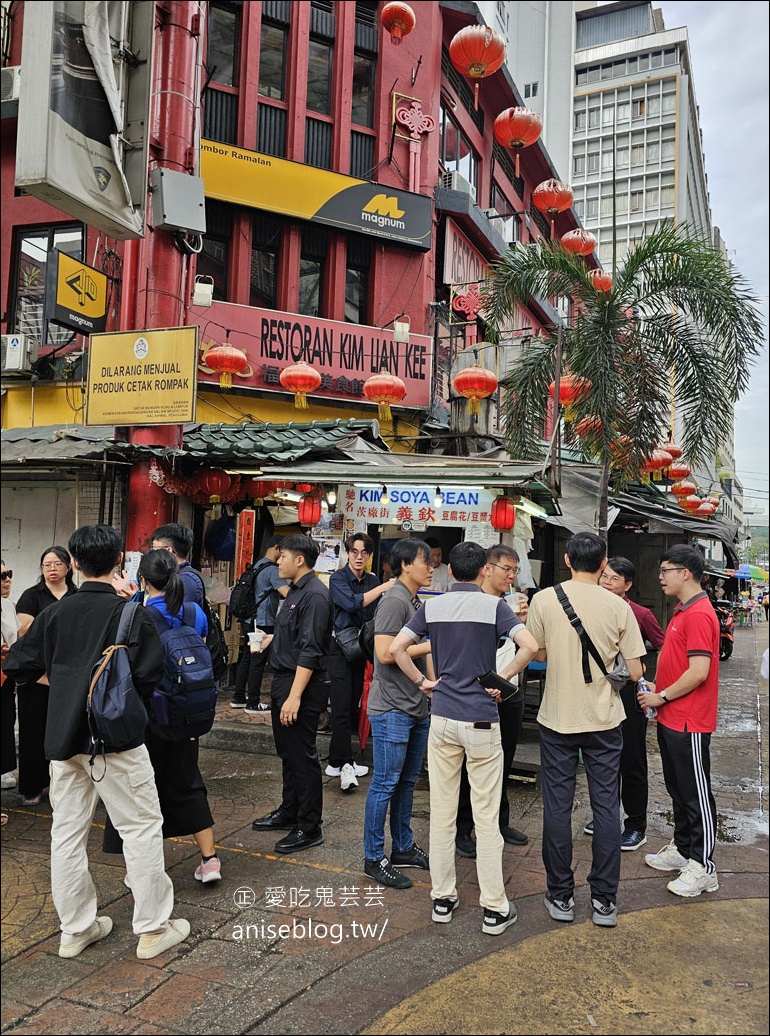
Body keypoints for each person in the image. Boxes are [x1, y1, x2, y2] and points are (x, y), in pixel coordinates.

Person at [3, 525, 190, 960]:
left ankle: (76, 928)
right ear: (119, 563)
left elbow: (18, 664)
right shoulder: (129, 614)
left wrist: (64, 682)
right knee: (140, 829)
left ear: (74, 564)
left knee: (66, 834)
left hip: (63, 742)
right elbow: (148, 675)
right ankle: (152, 928)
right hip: (117, 742)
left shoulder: (56, 613)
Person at [389, 541, 538, 936]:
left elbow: (396, 648)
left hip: (441, 720)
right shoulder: (494, 607)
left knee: (442, 811)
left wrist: (423, 681)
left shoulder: (433, 606)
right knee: (486, 816)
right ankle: (493, 908)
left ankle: (442, 899)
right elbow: (530, 646)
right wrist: (502, 680)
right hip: (482, 722)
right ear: (482, 572)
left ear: (450, 572)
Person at [526, 532, 645, 929]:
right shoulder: (618, 605)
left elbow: (538, 653)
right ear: (604, 562)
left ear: (566, 559)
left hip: (557, 717)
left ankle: (560, 895)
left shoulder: (544, 599)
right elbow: (635, 670)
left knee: (557, 808)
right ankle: (604, 901)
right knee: (606, 806)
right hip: (605, 720)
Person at [104, 550, 222, 884]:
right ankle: (210, 861)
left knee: (141, 790)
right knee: (188, 781)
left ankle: (139, 870)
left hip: (150, 717)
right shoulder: (193, 611)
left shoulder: (135, 615)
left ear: (142, 580)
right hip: (187, 713)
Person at [637, 545, 721, 897]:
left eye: (666, 570)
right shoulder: (684, 610)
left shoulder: (700, 613)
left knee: (695, 794)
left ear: (686, 573)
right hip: (672, 717)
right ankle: (683, 849)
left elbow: (699, 672)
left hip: (690, 720)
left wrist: (663, 695)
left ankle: (704, 866)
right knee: (678, 787)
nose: (661, 577)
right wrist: (659, 691)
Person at [251, 536, 333, 853]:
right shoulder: (296, 592)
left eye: (283, 555)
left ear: (300, 560)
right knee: (288, 754)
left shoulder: (315, 596)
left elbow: (311, 650)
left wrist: (295, 696)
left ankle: (309, 826)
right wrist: (270, 641)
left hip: (302, 685)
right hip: (285, 680)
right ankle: (290, 811)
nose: (278, 560)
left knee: (303, 757)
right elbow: (295, 636)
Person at [363, 538, 434, 889]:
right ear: (405, 565)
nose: (431, 567)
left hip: (415, 705)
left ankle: (403, 847)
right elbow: (386, 653)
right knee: (385, 783)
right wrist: (433, 643)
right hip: (392, 707)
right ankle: (374, 857)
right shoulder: (393, 601)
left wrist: (432, 682)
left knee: (407, 782)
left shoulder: (414, 600)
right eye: (426, 562)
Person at [582, 557, 665, 851]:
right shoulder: (590, 607)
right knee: (602, 757)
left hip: (629, 694)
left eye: (614, 579)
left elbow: (663, 646)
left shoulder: (640, 614)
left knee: (631, 759)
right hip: (598, 691)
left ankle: (635, 825)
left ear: (628, 585)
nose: (606, 582)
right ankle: (607, 817)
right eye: (604, 576)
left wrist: (649, 679)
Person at [455, 544, 529, 858]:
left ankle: (501, 820)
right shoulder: (475, 602)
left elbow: (530, 646)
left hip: (510, 691)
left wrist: (523, 621)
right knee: (470, 763)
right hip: (476, 693)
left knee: (504, 759)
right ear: (487, 568)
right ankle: (462, 829)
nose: (511, 577)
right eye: (506, 569)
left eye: (514, 571)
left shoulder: (510, 602)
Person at [326, 533, 393, 792]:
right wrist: (381, 589)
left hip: (362, 649)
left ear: (369, 555)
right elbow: (351, 604)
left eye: (364, 553)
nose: (358, 557)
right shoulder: (338, 579)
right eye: (354, 551)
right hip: (340, 649)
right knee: (342, 706)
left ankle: (336, 760)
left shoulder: (373, 579)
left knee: (353, 705)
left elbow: (375, 614)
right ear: (347, 552)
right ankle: (344, 762)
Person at [14, 546, 78, 806]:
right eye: (47, 565)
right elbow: (22, 632)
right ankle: (32, 786)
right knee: (33, 731)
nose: (52, 569)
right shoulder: (32, 596)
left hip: (69, 673)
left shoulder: (77, 595)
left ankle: (64, 787)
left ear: (69, 567)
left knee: (67, 731)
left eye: (57, 564)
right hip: (36, 674)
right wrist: (53, 617)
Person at [230, 536, 289, 713]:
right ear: (276, 548)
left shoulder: (257, 564)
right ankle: (253, 702)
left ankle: (239, 697)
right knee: (257, 661)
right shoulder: (272, 570)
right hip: (262, 621)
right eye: (284, 553)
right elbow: (287, 593)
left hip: (249, 619)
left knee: (247, 658)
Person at [1, 561, 20, 815]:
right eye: (1, 576)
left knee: (4, 731)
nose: (6, 580)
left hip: (5, 679)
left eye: (8, 574)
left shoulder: (8, 606)